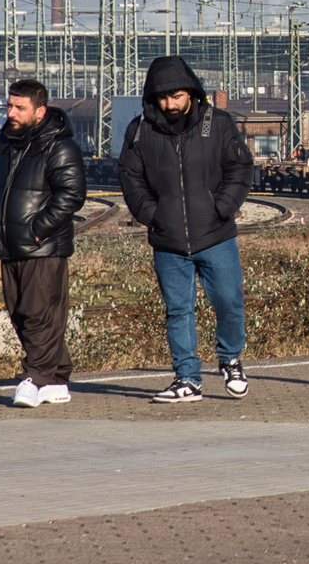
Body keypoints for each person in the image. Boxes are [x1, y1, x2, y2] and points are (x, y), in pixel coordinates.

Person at [118, 55, 256, 403]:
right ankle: (187, 378)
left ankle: (231, 360)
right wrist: (153, 214)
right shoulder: (139, 132)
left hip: (215, 235)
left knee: (228, 301)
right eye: (163, 98)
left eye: (177, 96)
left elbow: (239, 169)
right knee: (178, 310)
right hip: (168, 241)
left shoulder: (219, 124)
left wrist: (221, 208)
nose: (170, 104)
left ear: (191, 92)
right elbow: (130, 178)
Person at [0, 79, 87, 409]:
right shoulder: (4, 143)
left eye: (19, 107)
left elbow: (72, 195)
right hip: (8, 245)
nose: (10, 113)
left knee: (37, 313)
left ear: (39, 111)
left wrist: (38, 229)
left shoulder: (59, 146)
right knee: (20, 315)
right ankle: (57, 378)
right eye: (9, 105)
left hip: (43, 247)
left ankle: (34, 377)